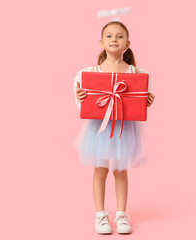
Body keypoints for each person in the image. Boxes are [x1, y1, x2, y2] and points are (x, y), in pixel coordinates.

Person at [72, 21, 155, 234]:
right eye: (109, 36)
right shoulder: (91, 72)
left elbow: (142, 96)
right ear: (101, 42)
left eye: (119, 36)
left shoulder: (136, 72)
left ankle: (121, 214)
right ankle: (100, 215)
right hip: (99, 129)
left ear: (127, 43)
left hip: (124, 129)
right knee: (100, 170)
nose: (114, 40)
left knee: (120, 170)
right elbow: (80, 92)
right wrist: (80, 97)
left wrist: (147, 100)